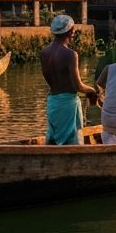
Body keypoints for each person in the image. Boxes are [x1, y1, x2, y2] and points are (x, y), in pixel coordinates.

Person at [41, 15, 99, 145]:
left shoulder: (44, 53)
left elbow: (49, 80)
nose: (74, 33)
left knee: (54, 139)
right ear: (70, 31)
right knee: (73, 141)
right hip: (68, 104)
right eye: (73, 30)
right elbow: (78, 86)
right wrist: (92, 91)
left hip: (53, 102)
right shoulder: (70, 54)